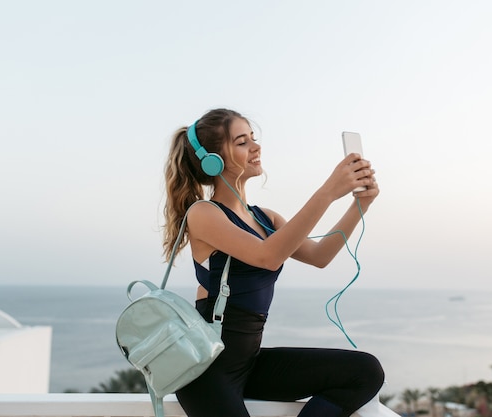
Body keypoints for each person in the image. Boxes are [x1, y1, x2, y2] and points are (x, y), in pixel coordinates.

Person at [162, 108, 385, 417]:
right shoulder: (203, 214)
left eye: (254, 138)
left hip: (248, 363)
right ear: (213, 159)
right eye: (242, 142)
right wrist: (328, 191)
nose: (256, 147)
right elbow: (268, 257)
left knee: (365, 371)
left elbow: (320, 256)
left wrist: (360, 204)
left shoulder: (266, 218)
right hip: (206, 370)